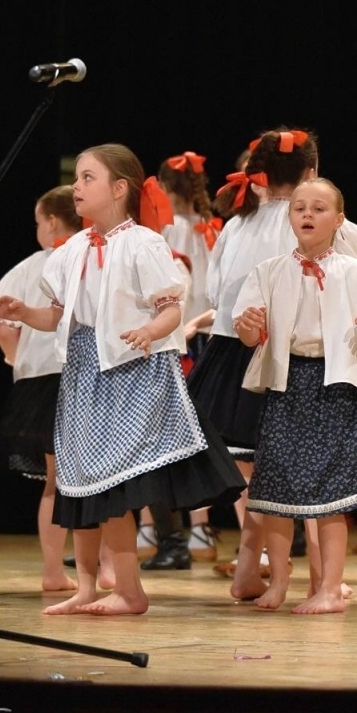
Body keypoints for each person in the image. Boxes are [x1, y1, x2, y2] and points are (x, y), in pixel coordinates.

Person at [0, 143, 244, 615]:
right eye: (77, 177)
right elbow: (58, 315)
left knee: (113, 487)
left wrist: (150, 330)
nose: (76, 187)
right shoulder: (72, 251)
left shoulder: (142, 243)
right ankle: (86, 587)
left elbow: (172, 309)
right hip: (84, 373)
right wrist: (25, 313)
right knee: (79, 482)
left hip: (132, 372)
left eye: (88, 178)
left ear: (120, 188)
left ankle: (129, 590)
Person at [232, 177, 357, 613]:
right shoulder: (270, 270)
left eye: (318, 209)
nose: (307, 215)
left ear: (338, 219)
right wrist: (247, 326)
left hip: (335, 386)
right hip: (286, 385)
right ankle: (279, 582)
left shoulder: (354, 273)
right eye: (299, 208)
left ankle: (331, 588)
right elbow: (247, 334)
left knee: (328, 494)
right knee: (275, 491)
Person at [0, 184, 82, 593]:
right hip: (83, 376)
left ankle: (52, 570)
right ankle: (108, 568)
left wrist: (14, 361)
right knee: (98, 477)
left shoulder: (33, 265)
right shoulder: (91, 258)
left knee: (54, 479)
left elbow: (5, 328)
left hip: (40, 379)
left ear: (52, 223)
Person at [141, 150, 223, 569]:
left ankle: (167, 531)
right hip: (207, 333)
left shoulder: (167, 235)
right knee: (194, 434)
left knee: (173, 436)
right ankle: (196, 530)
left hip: (180, 337)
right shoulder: (213, 230)